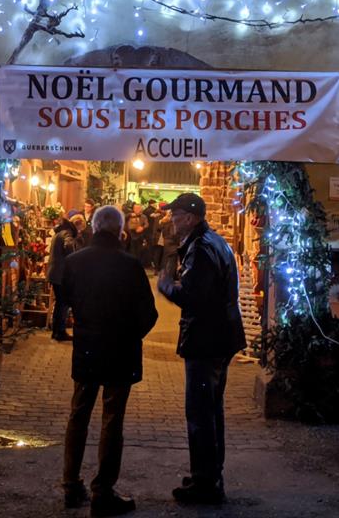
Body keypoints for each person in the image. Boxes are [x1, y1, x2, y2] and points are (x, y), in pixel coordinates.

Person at [61, 205, 158, 517]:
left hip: (88, 347)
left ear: (92, 226)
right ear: (120, 231)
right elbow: (149, 313)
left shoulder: (75, 262)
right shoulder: (130, 265)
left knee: (79, 414)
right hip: (121, 348)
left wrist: (83, 322)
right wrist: (132, 334)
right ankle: (103, 490)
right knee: (112, 419)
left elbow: (65, 301)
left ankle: (71, 485)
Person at [157, 193, 246, 505]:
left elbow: (194, 296)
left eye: (175, 214)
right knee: (210, 409)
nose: (171, 219)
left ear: (190, 218)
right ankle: (208, 474)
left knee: (200, 411)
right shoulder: (212, 242)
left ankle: (205, 483)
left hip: (208, 339)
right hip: (220, 337)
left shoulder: (202, 248)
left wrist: (167, 286)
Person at [47, 216, 79, 341]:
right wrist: (74, 257)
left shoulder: (58, 233)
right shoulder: (67, 233)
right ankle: (59, 332)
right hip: (61, 274)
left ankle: (56, 331)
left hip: (54, 273)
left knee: (60, 303)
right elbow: (69, 245)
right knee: (63, 303)